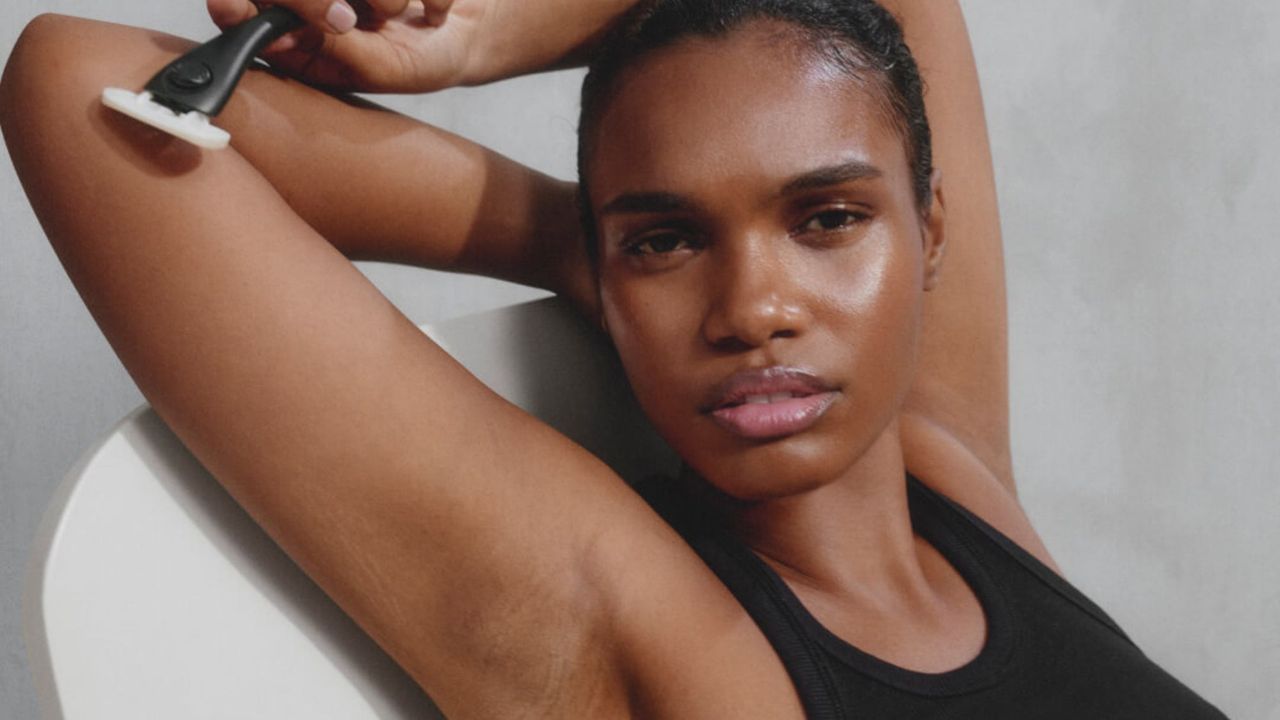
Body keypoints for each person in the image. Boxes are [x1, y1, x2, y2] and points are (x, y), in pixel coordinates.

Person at [0, 0, 1230, 717]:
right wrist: (583, 245)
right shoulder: (667, 644)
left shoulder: (954, 485)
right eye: (668, 238)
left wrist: (473, 37)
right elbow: (76, 86)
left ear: (929, 237)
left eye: (826, 218)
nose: (752, 307)